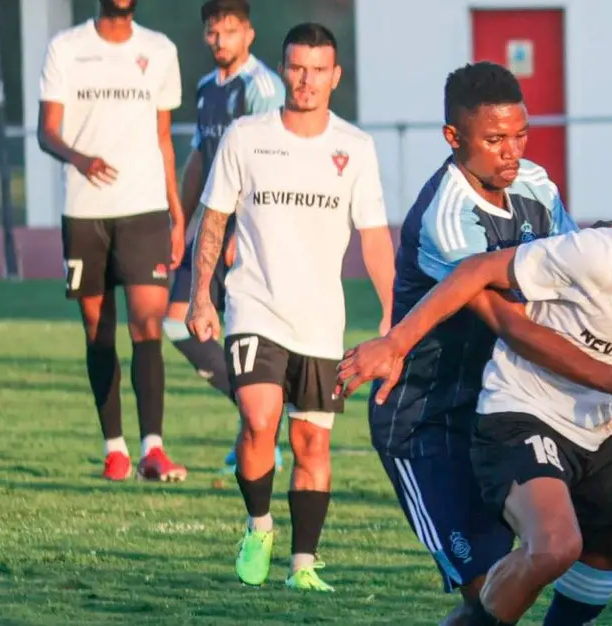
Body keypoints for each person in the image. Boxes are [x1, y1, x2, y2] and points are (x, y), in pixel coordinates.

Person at [339, 159, 612, 626]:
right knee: (556, 546)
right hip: (521, 416)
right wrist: (395, 343)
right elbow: (475, 270)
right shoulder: (609, 254)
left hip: (605, 430)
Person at [367, 61, 612, 625]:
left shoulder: (536, 184)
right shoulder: (445, 219)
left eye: (521, 135)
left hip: (504, 407)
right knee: (489, 594)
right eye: (495, 139)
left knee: (608, 523)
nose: (512, 151)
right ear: (454, 138)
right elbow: (514, 323)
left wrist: (608, 246)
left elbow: (575, 265)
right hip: (428, 422)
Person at [186, 22, 395, 592]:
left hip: (321, 321)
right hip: (254, 306)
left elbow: (374, 236)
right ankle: (259, 525)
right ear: (283, 69)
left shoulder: (355, 148)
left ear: (336, 76)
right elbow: (215, 217)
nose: (306, 80)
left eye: (318, 70)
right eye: (297, 68)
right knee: (258, 420)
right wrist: (201, 292)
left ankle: (303, 565)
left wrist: (390, 313)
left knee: (312, 443)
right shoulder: (246, 136)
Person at [37, 0, 187, 482]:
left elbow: (164, 138)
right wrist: (78, 158)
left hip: (144, 210)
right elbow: (47, 131)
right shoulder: (66, 48)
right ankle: (115, 448)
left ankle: (153, 449)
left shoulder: (160, 50)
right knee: (97, 330)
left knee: (147, 324)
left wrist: (176, 209)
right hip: (85, 213)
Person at [162, 0, 286, 475]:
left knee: (246, 337)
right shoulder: (205, 89)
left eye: (230, 31)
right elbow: (199, 160)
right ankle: (259, 418)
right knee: (179, 324)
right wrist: (182, 224)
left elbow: (270, 163)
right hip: (209, 232)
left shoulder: (261, 88)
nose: (220, 40)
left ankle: (262, 436)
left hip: (246, 232)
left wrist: (245, 228)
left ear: (248, 34)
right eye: (213, 32)